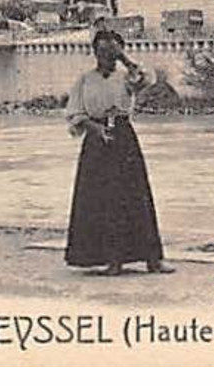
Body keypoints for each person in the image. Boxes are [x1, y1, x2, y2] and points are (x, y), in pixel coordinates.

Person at [63, 30, 173, 276]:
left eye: (111, 51)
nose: (106, 56)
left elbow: (146, 80)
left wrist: (124, 58)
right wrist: (96, 129)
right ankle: (111, 260)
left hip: (123, 137)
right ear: (94, 53)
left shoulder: (126, 77)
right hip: (96, 138)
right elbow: (75, 113)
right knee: (101, 198)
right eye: (101, 51)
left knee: (135, 195)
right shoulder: (85, 80)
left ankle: (152, 259)